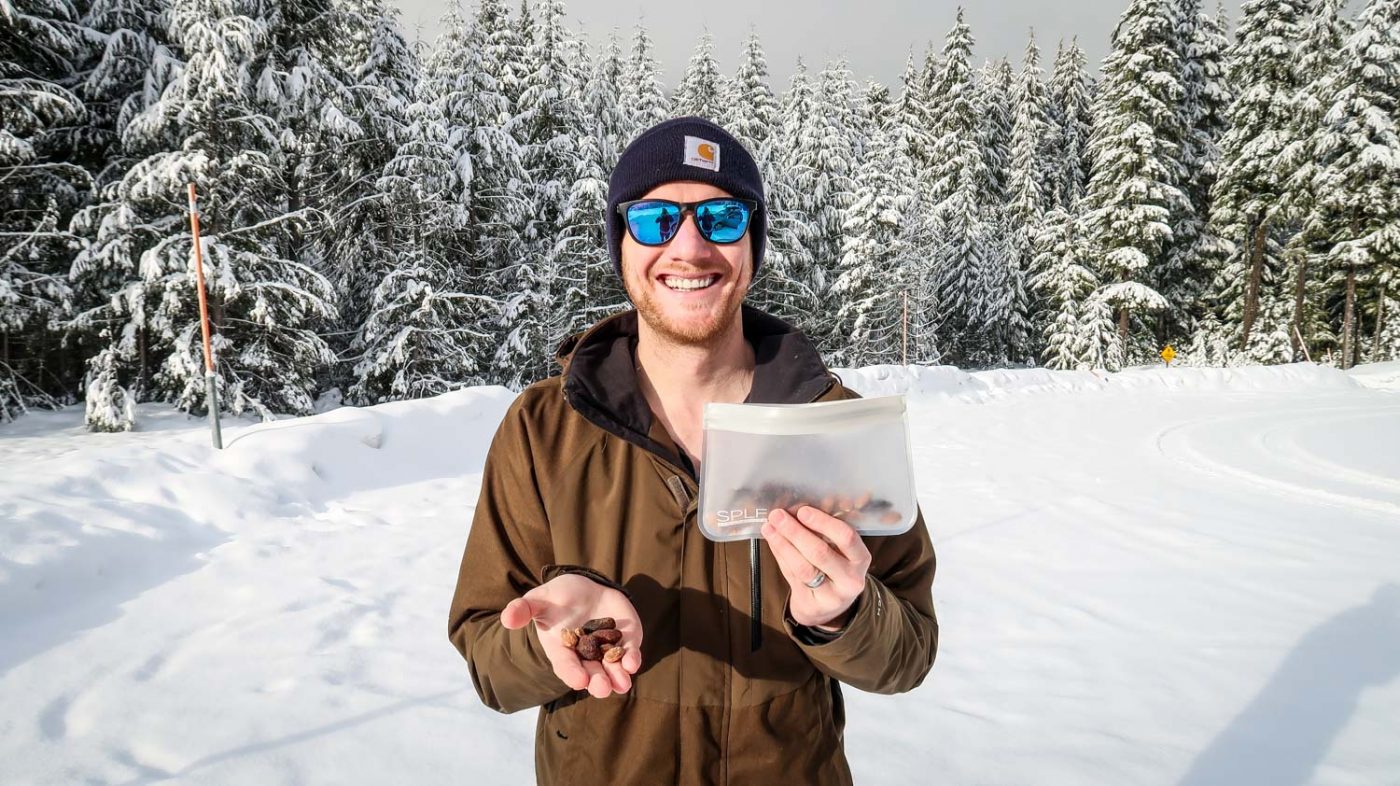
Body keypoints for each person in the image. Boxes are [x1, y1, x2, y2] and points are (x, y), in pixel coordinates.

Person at [448, 116, 938, 785]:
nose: (688, 247)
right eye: (653, 220)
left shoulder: (833, 426)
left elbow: (907, 655)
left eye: (721, 218)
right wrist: (542, 643)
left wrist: (843, 616)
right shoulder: (544, 430)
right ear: (621, 243)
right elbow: (488, 660)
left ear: (753, 244)